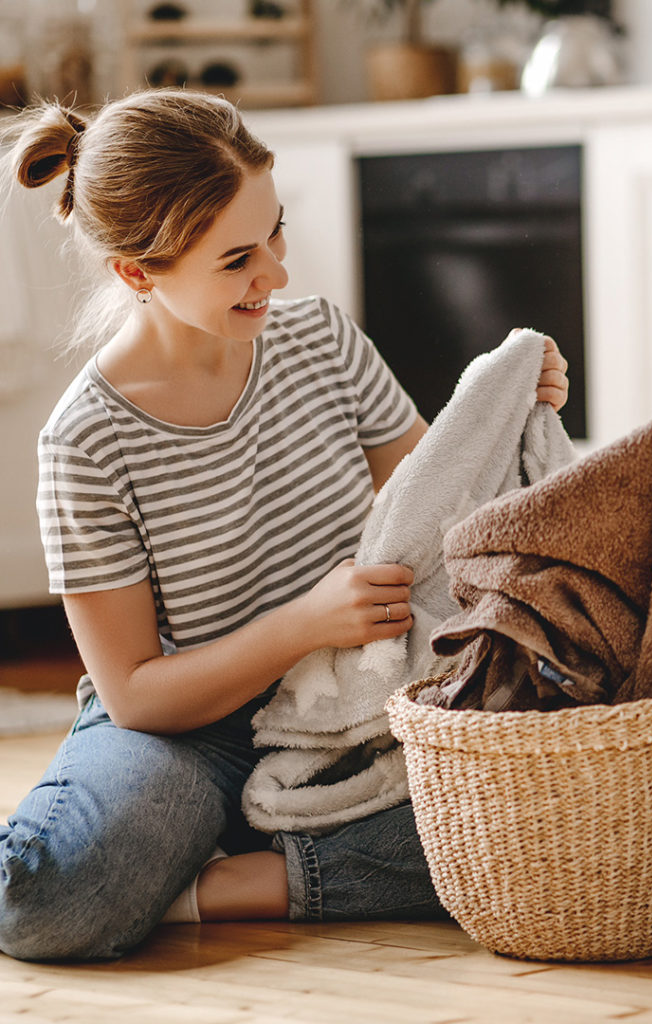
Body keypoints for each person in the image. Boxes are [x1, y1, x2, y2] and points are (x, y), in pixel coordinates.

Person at [0, 88, 569, 962]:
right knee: (43, 903)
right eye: (236, 260)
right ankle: (289, 850)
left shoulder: (321, 340)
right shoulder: (85, 441)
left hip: (358, 702)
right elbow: (135, 694)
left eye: (275, 234)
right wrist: (304, 624)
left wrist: (512, 410)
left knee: (545, 826)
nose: (276, 274)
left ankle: (236, 880)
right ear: (137, 272)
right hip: (187, 734)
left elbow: (450, 510)